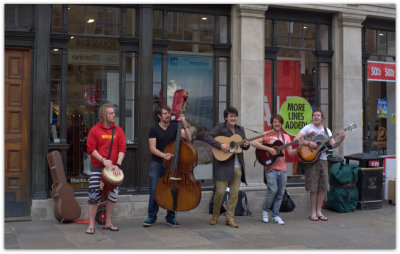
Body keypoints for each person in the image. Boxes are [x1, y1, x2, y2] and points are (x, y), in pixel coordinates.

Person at [143, 105, 191, 227]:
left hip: (173, 165)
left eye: (169, 113)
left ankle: (171, 217)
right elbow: (152, 148)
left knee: (172, 188)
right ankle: (151, 217)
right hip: (157, 163)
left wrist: (184, 123)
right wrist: (163, 155)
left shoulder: (175, 126)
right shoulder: (153, 129)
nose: (168, 115)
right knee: (154, 190)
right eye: (165, 113)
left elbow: (189, 138)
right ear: (159, 116)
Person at [294, 108, 346, 222]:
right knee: (313, 187)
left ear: (322, 118)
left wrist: (341, 139)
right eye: (314, 115)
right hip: (311, 160)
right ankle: (313, 212)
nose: (316, 117)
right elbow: (296, 139)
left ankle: (319, 211)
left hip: (323, 159)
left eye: (318, 115)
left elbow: (333, 145)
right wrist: (309, 143)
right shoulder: (308, 128)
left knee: (322, 187)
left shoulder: (327, 131)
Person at [204, 106, 250, 228]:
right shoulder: (220, 127)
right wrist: (220, 145)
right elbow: (207, 137)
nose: (233, 118)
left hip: (237, 165)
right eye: (231, 116)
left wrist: (246, 144)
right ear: (226, 117)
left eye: (235, 116)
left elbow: (243, 147)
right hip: (223, 165)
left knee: (234, 194)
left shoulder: (241, 130)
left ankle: (229, 218)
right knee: (220, 192)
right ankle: (215, 214)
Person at [85, 103, 126, 234]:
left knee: (113, 195)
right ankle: (91, 225)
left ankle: (108, 222)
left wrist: (118, 164)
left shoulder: (118, 131)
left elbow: (122, 149)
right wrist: (103, 159)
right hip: (98, 166)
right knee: (93, 195)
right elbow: (91, 149)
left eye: (114, 113)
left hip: (113, 168)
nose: (114, 115)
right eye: (111, 113)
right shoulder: (95, 130)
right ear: (103, 115)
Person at [252, 114, 299, 225]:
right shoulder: (267, 134)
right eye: (275, 122)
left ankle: (275, 215)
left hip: (282, 169)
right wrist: (269, 149)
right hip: (270, 168)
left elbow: (291, 153)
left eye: (279, 122)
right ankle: (265, 211)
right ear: (272, 123)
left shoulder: (286, 137)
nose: (277, 124)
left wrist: (299, 147)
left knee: (280, 193)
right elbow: (254, 143)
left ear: (281, 124)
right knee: (273, 190)